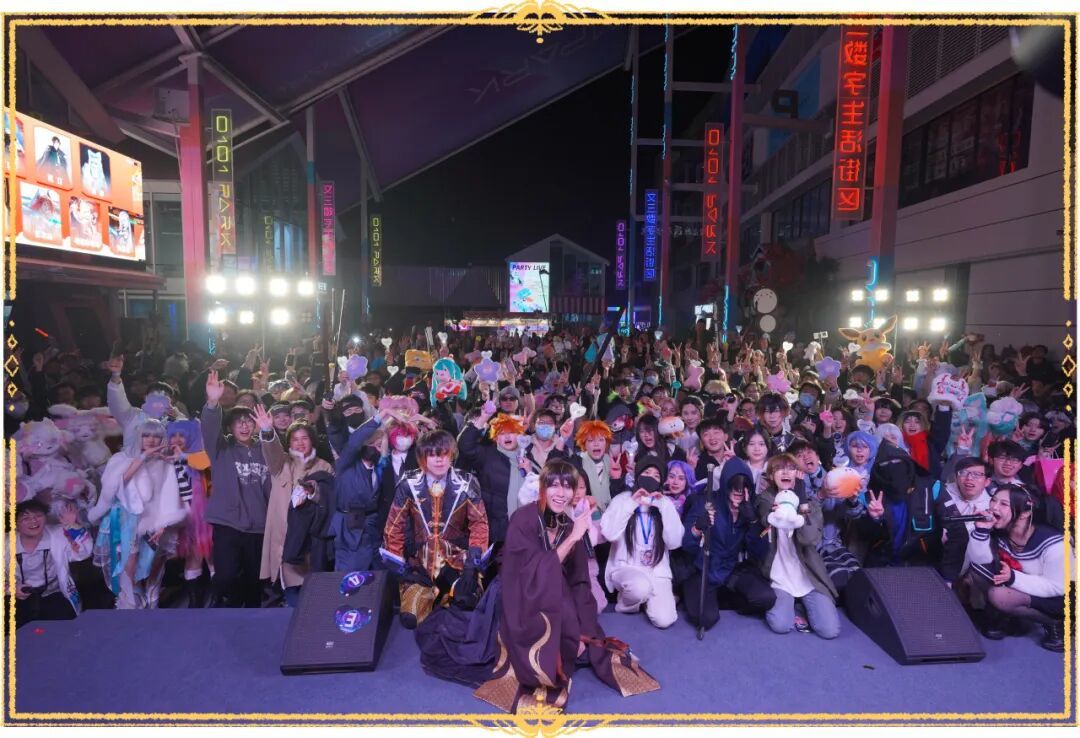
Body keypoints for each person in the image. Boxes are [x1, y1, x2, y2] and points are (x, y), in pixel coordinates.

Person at [474, 459, 659, 713]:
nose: (561, 493)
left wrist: (584, 631)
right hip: (517, 593)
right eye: (554, 485)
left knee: (579, 640)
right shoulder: (523, 518)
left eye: (568, 486)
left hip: (552, 594)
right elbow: (530, 575)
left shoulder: (570, 525)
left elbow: (579, 581)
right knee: (549, 649)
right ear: (543, 487)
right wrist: (573, 538)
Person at [381, 429, 490, 628]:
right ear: (423, 457)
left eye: (444, 454)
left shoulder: (467, 482)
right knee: (410, 618)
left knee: (466, 605)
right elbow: (393, 528)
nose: (439, 460)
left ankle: (453, 597)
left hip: (458, 562)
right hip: (420, 565)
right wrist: (403, 569)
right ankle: (429, 598)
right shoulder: (408, 484)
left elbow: (479, 524)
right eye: (432, 454)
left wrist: (471, 565)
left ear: (452, 455)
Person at [90, 418, 186, 609]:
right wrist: (141, 458)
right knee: (129, 562)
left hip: (154, 520)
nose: (151, 440)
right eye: (146, 435)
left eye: (156, 436)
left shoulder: (165, 463)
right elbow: (115, 485)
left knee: (153, 561)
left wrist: (163, 523)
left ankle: (152, 594)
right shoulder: (121, 458)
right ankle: (131, 599)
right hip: (125, 519)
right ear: (138, 437)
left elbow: (169, 495)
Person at [201, 370, 271, 608]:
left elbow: (279, 464)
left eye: (249, 421)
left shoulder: (266, 449)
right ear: (230, 427)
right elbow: (209, 429)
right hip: (227, 524)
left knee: (254, 581)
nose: (244, 425)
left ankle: (250, 619)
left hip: (258, 525)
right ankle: (226, 608)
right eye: (238, 421)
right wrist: (213, 403)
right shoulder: (221, 448)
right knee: (226, 576)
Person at [680, 457, 774, 632]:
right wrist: (697, 527)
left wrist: (753, 521)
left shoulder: (750, 508)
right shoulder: (705, 503)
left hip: (730, 571)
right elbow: (686, 544)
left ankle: (726, 599)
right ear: (725, 484)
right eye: (734, 485)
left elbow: (761, 552)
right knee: (706, 619)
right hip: (702, 570)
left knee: (766, 598)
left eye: (744, 486)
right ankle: (703, 599)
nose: (738, 491)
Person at [968, 484, 1065, 651]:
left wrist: (1013, 578)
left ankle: (1055, 622)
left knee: (998, 595)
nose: (993, 507)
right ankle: (1004, 613)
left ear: (1025, 513)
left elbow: (1058, 587)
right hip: (1023, 584)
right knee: (977, 570)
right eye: (993, 500)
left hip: (1061, 598)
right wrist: (982, 531)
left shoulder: (1054, 543)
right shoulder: (1001, 531)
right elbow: (980, 560)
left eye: (1003, 504)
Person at [254, 406, 334, 607]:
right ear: (289, 443)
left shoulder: (324, 466)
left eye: (304, 438)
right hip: (283, 533)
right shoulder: (281, 463)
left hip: (310, 537)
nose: (300, 443)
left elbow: (330, 500)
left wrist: (313, 493)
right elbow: (271, 450)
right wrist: (267, 431)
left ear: (312, 441)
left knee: (310, 588)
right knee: (289, 586)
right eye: (295, 439)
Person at [756, 454, 840, 639]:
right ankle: (790, 606)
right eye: (779, 469)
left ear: (798, 475)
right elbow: (766, 518)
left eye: (791, 468)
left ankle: (801, 605)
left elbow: (808, 539)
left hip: (808, 576)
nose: (785, 472)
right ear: (771, 476)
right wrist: (778, 512)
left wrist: (802, 503)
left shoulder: (810, 504)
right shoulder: (765, 499)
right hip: (779, 576)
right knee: (781, 625)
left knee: (829, 631)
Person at [599, 456, 684, 628]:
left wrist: (663, 507)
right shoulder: (622, 499)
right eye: (647, 473)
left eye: (656, 476)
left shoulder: (665, 503)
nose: (651, 478)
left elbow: (674, 542)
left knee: (664, 620)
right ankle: (627, 604)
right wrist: (632, 504)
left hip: (656, 571)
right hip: (627, 568)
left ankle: (646, 600)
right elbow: (609, 534)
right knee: (640, 587)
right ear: (638, 476)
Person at [9, 498, 92, 628]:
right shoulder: (6, 543)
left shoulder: (59, 534)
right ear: (16, 524)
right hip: (17, 598)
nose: (34, 521)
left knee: (64, 628)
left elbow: (83, 553)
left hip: (54, 594)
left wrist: (73, 526)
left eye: (38, 515)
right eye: (26, 518)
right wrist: (11, 588)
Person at [458, 409, 526, 545]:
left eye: (512, 432)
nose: (507, 437)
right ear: (495, 437)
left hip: (523, 530)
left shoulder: (527, 458)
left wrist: (529, 473)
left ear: (519, 435)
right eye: (502, 433)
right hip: (492, 531)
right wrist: (483, 418)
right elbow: (465, 446)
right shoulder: (487, 455)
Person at [166, 419, 214, 607]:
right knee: (192, 556)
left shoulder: (200, 456)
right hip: (182, 516)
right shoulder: (166, 460)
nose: (177, 439)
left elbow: (206, 463)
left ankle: (217, 598)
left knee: (211, 554)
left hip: (205, 516)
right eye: (173, 436)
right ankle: (195, 600)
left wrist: (184, 456)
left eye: (182, 435)